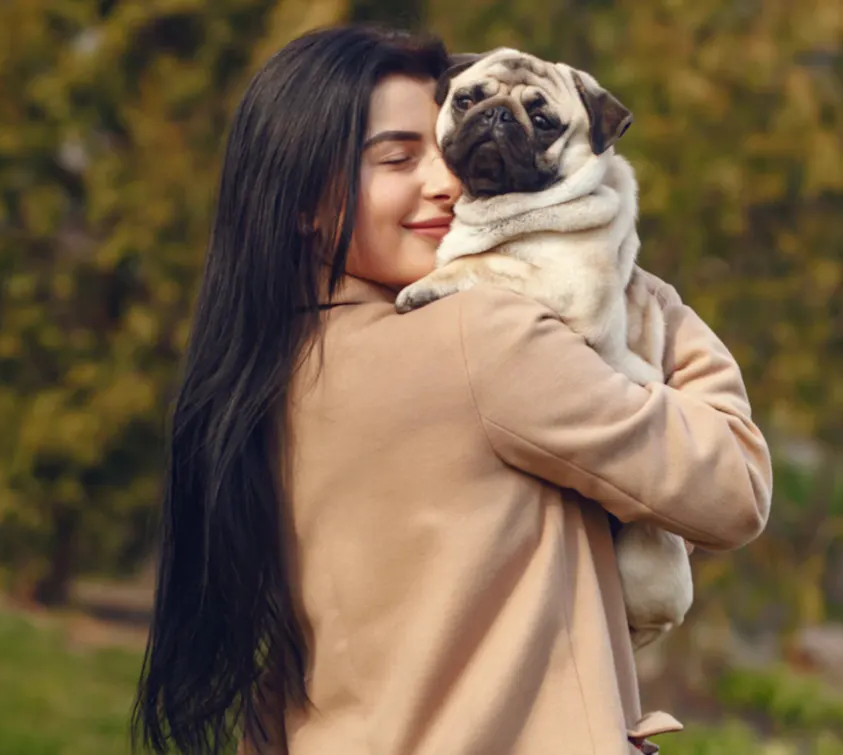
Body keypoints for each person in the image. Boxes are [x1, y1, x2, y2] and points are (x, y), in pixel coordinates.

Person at [132, 24, 772, 755]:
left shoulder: (265, 370)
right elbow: (735, 484)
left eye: (440, 149)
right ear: (304, 199)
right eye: (398, 159)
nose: (446, 182)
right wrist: (617, 268)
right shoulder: (483, 337)